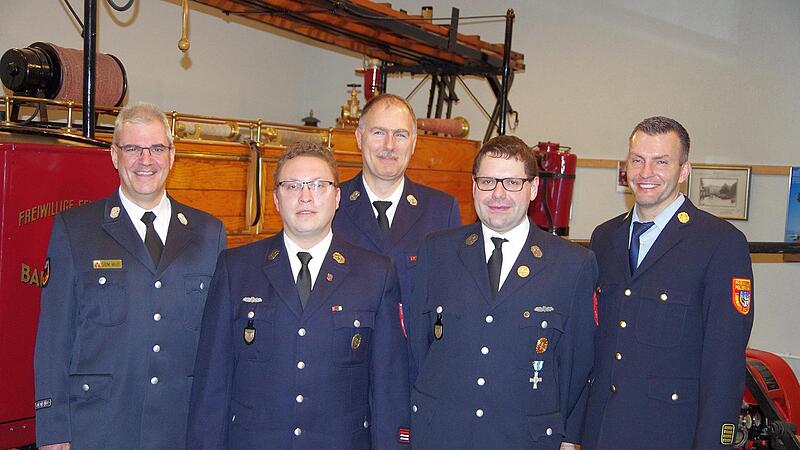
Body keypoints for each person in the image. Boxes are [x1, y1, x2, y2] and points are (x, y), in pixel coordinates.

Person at [187, 142, 410, 449]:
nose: (305, 196)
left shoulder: (375, 273)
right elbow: (212, 382)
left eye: (318, 185)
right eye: (292, 186)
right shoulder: (236, 269)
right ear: (276, 199)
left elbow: (388, 388)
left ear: (337, 197)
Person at [33, 102, 227, 449]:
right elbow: (54, 336)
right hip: (99, 425)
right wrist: (53, 428)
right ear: (114, 155)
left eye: (157, 148)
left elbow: (219, 344)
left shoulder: (208, 233)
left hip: (180, 426)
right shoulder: (76, 229)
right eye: (133, 148)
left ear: (172, 155)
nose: (145, 160)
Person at [408, 135, 598, 449]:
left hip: (525, 437)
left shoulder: (571, 264)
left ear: (533, 188)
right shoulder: (437, 251)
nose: (498, 194)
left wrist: (569, 438)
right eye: (487, 181)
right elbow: (417, 348)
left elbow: (577, 361)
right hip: (443, 433)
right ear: (473, 186)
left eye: (512, 182)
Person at [581, 116, 754, 449]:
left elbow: (724, 363)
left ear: (684, 170)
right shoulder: (604, 237)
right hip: (603, 432)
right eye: (637, 160)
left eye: (661, 162)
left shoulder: (719, 243)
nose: (646, 173)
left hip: (671, 434)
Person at [333, 93, 461, 314]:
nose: (389, 145)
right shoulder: (330, 204)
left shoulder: (441, 211)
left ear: (414, 143)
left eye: (400, 135)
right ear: (359, 138)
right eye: (379, 132)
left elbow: (450, 298)